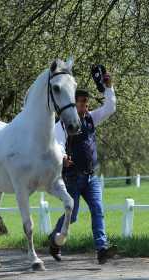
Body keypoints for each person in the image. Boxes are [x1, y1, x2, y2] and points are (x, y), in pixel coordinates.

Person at [49, 72, 117, 264]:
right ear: (74, 102)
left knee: (98, 209)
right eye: (82, 103)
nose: (85, 107)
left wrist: (109, 87)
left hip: (91, 176)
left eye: (87, 104)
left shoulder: (90, 119)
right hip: (72, 176)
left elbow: (110, 107)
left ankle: (101, 249)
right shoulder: (62, 124)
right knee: (74, 215)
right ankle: (54, 240)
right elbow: (58, 143)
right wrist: (62, 157)